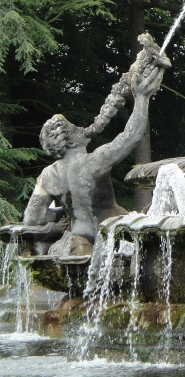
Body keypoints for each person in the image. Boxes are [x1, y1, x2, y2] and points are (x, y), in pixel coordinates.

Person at [20, 34, 170, 246]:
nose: (82, 129)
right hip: (114, 234)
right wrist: (142, 98)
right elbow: (132, 135)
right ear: (70, 142)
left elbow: (31, 219)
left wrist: (60, 217)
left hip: (79, 236)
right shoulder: (93, 162)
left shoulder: (48, 175)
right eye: (75, 128)